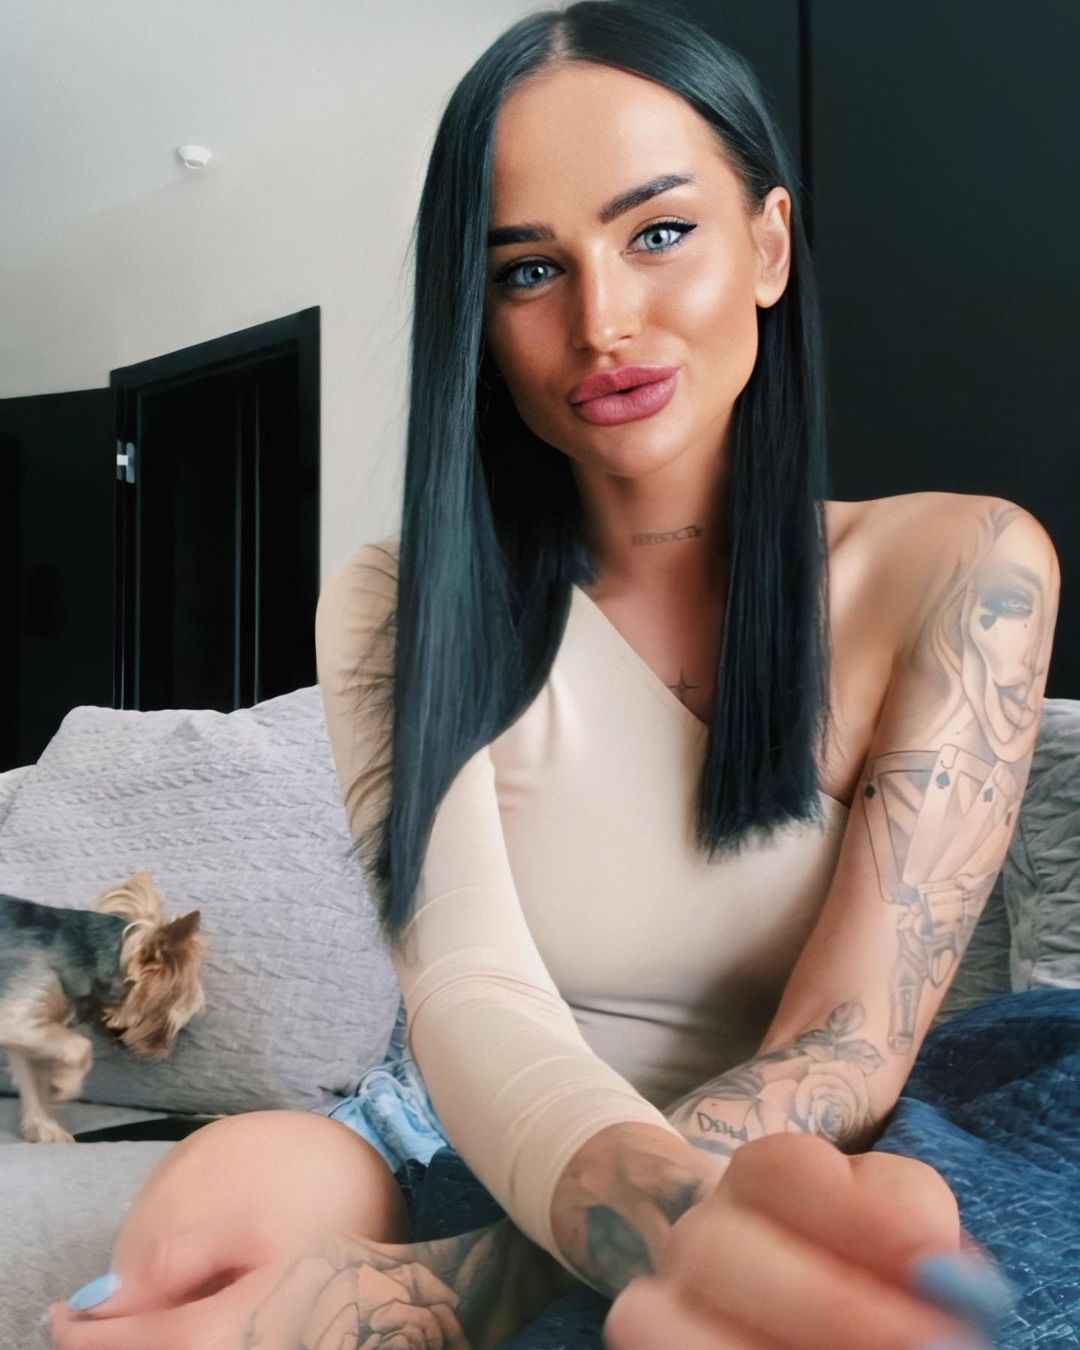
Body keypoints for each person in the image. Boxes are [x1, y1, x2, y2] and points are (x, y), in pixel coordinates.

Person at [48, 2, 1056, 1347]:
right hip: (491, 1126)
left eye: (659, 234)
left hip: (797, 1142)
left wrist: (453, 1293)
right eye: (528, 270)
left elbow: (848, 1043)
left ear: (768, 243)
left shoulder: (965, 565)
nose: (602, 321)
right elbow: (471, 994)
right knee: (200, 1227)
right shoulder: (395, 599)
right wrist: (637, 1231)